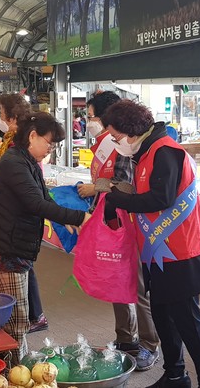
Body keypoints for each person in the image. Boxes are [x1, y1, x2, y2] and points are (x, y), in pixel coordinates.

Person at [103, 100, 200, 388]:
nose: (115, 142)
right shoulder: (146, 152)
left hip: (181, 253)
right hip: (158, 253)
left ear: (130, 130)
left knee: (188, 322)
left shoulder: (165, 151)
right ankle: (175, 375)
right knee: (163, 316)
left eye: (116, 136)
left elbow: (161, 198)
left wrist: (117, 199)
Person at [0, 112, 91, 365]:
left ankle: (15, 368)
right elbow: (34, 202)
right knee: (16, 322)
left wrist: (62, 218)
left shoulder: (25, 160)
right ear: (32, 135)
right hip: (3, 251)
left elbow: (42, 196)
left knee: (17, 319)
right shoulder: (14, 163)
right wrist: (79, 218)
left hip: (14, 247)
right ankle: (12, 372)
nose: (50, 149)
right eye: (49, 143)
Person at [78, 91, 160, 371]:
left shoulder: (130, 145)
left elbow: (129, 186)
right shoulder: (105, 143)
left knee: (136, 285)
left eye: (91, 117)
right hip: (110, 219)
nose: (89, 122)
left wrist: (97, 187)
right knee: (115, 279)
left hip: (132, 221)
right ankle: (126, 339)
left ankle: (149, 345)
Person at [0, 93, 49, 334]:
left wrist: (74, 218)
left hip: (16, 220)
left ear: (12, 117)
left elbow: (32, 192)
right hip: (10, 216)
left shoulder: (19, 143)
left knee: (20, 267)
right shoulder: (11, 139)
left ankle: (32, 318)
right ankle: (32, 316)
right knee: (23, 267)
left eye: (1, 113)